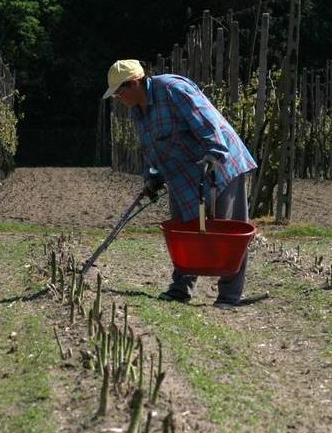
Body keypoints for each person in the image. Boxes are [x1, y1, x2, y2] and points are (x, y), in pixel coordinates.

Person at [102, 59, 257, 309]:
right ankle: (181, 289)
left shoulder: (172, 90)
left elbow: (208, 121)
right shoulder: (137, 111)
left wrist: (214, 154)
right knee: (185, 230)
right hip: (183, 174)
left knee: (227, 230)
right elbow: (153, 149)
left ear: (133, 84)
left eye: (119, 92)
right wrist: (153, 177)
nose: (118, 98)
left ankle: (229, 295)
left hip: (220, 163)